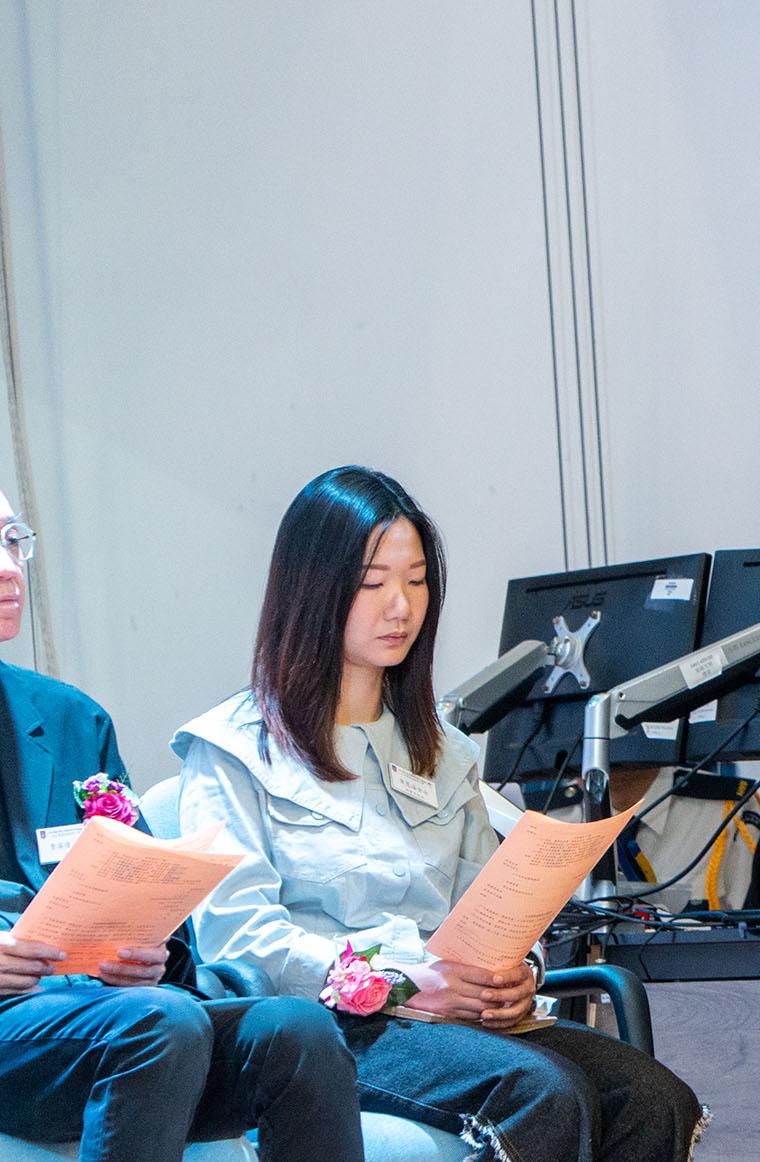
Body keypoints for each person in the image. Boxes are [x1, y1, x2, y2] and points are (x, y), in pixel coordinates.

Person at [175, 466, 705, 1162]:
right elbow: (239, 941)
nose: (400, 606)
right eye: (372, 583)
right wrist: (398, 982)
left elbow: (489, 904)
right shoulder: (232, 750)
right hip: (327, 1030)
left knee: (653, 1097)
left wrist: (516, 975)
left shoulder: (443, 749)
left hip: (453, 1020)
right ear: (311, 588)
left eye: (417, 580)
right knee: (541, 1092)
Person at [0, 490, 364, 1161]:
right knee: (158, 1024)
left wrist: (149, 952)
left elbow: (149, 897)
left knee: (298, 1031)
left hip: (108, 1010)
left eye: (12, 540)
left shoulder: (70, 717)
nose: (8, 567)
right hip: (45, 1031)